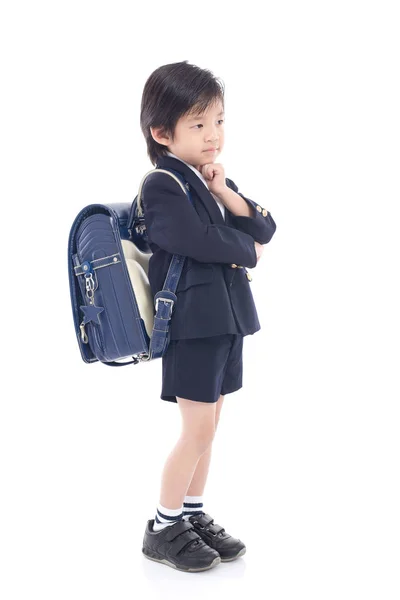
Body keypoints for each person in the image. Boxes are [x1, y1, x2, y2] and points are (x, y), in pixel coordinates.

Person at [140, 61, 277, 572]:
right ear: (161, 132)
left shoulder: (206, 179)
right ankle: (162, 524)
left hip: (226, 320)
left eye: (218, 120)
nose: (212, 135)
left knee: (210, 428)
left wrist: (224, 191)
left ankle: (190, 514)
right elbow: (194, 240)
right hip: (193, 326)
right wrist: (245, 249)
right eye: (198, 125)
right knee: (195, 431)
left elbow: (266, 227)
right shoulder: (161, 184)